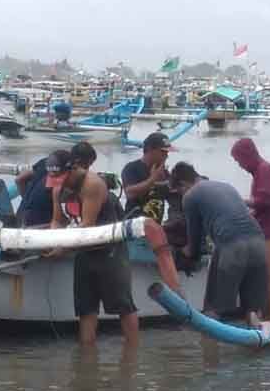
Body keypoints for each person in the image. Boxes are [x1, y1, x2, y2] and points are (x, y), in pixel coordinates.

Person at [47, 142, 139, 346]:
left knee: (123, 305)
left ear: (73, 169)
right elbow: (58, 220)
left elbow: (87, 225)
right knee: (85, 308)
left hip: (109, 251)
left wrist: (62, 247)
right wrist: (51, 241)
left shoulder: (92, 184)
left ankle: (133, 352)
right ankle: (87, 357)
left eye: (62, 178)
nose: (59, 183)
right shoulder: (57, 189)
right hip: (83, 251)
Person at [171, 162, 268, 322]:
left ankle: (209, 346)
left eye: (179, 191)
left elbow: (194, 245)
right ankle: (258, 342)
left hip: (232, 247)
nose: (181, 195)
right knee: (253, 310)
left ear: (182, 184)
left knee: (213, 310)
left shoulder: (190, 196)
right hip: (259, 242)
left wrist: (179, 254)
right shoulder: (225, 186)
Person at [230, 138, 270, 318]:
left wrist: (241, 201)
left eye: (239, 161)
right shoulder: (260, 172)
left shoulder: (264, 170)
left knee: (267, 281)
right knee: (262, 281)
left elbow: (265, 201)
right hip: (263, 232)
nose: (240, 165)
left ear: (247, 156)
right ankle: (266, 321)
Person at [121, 132, 173, 222]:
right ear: (150, 150)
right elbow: (130, 193)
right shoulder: (132, 168)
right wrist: (152, 179)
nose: (166, 156)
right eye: (163, 152)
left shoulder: (164, 172)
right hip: (134, 223)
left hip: (155, 226)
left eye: (167, 153)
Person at [15, 156, 54, 227]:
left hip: (22, 214)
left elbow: (19, 179)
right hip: (40, 220)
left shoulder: (46, 161)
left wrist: (27, 200)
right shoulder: (65, 166)